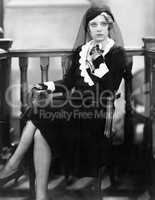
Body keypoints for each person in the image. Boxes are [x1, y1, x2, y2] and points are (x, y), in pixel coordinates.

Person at [0, 6, 126, 200]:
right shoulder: (81, 52)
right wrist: (48, 85)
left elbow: (110, 87)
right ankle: (41, 195)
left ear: (110, 27)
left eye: (103, 24)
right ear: (88, 28)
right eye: (93, 24)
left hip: (95, 115)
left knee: (41, 110)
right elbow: (68, 83)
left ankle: (14, 162)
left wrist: (99, 61)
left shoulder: (117, 53)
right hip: (74, 109)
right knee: (40, 134)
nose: (99, 28)